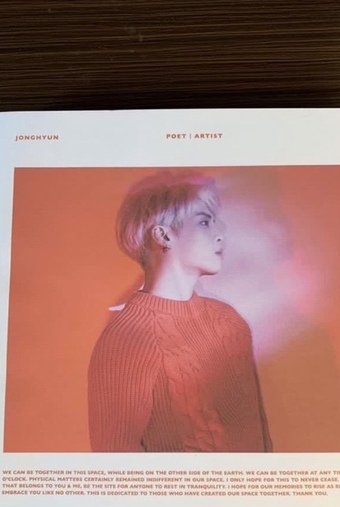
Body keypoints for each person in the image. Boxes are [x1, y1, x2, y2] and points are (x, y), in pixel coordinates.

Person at [88, 171, 272, 452]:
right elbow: (116, 461)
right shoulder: (125, 340)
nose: (221, 233)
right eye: (204, 221)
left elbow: (261, 440)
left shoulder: (229, 321)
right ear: (163, 235)